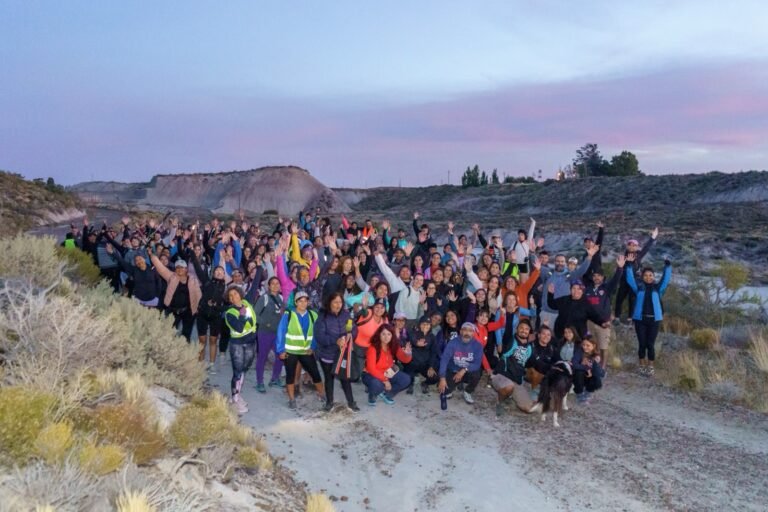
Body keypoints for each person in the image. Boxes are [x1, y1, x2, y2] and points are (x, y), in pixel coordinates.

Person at [276, 291, 325, 409]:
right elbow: (281, 331)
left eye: (305, 301)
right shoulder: (288, 314)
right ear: (296, 302)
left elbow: (316, 333)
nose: (303, 303)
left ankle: (322, 395)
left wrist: (313, 347)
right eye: (300, 301)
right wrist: (281, 350)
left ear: (308, 302)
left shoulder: (313, 315)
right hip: (290, 351)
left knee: (315, 373)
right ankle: (292, 399)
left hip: (306, 351)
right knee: (290, 375)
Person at [626, 254, 672, 376]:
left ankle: (650, 367)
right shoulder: (638, 288)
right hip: (640, 320)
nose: (648, 277)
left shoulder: (658, 288)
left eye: (650, 275)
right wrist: (629, 265)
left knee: (650, 345)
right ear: (642, 277)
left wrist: (667, 266)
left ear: (653, 276)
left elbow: (665, 279)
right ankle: (641, 365)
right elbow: (630, 279)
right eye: (645, 275)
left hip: (654, 321)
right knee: (642, 344)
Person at [315, 292, 359, 411]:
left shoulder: (346, 314)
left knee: (345, 378)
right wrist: (336, 341)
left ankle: (351, 402)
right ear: (329, 303)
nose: (338, 305)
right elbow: (320, 337)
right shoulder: (322, 317)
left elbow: (354, 329)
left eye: (340, 302)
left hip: (343, 353)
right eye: (335, 302)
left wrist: (349, 336)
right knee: (329, 378)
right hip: (327, 353)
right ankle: (329, 402)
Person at [585, 255, 625, 370]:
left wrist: (620, 268)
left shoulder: (606, 288)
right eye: (594, 276)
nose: (596, 278)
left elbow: (615, 280)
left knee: (603, 346)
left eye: (599, 276)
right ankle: (592, 366)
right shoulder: (587, 289)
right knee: (592, 345)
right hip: (589, 322)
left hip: (603, 323)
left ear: (603, 277)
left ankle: (602, 368)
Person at [149, 253, 201, 341]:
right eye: (177, 267)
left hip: (188, 311)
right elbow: (160, 268)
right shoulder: (171, 276)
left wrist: (198, 307)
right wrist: (152, 256)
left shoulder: (193, 280)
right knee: (170, 333)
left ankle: (184, 348)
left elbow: (198, 294)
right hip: (172, 311)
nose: (180, 269)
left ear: (186, 269)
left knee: (186, 335)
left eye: (182, 267)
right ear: (175, 269)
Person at [223, 285, 258, 414]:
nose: (234, 296)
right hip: (237, 345)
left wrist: (258, 271)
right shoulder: (229, 313)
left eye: (235, 293)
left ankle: (237, 395)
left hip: (250, 342)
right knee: (237, 372)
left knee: (244, 370)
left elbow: (255, 285)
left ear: (240, 294)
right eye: (230, 296)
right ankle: (235, 400)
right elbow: (238, 328)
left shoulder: (246, 302)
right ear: (229, 299)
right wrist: (242, 315)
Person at [614, 227, 659, 324]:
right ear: (627, 246)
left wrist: (653, 237)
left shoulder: (638, 256)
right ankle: (617, 317)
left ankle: (630, 319)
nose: (632, 246)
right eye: (630, 245)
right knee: (619, 299)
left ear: (637, 247)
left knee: (632, 299)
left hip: (634, 282)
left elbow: (646, 248)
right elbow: (618, 270)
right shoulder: (622, 257)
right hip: (623, 281)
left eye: (634, 245)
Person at [363, 324, 413, 406]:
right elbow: (371, 368)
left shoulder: (393, 345)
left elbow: (405, 360)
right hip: (371, 374)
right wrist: (385, 380)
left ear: (392, 336)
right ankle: (372, 394)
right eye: (383, 334)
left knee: (406, 379)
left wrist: (408, 353)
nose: (386, 337)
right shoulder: (373, 348)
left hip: (388, 372)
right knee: (377, 384)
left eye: (389, 334)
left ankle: (387, 394)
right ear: (379, 335)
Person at [438, 323, 485, 406]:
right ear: (460, 331)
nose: (467, 333)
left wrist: (464, 370)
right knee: (444, 391)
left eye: (470, 331)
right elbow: (444, 360)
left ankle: (468, 391)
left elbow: (477, 364)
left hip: (467, 371)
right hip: (454, 369)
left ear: (473, 333)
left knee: (477, 372)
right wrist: (442, 378)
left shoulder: (478, 346)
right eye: (465, 330)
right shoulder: (453, 343)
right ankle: (457, 383)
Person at [254, 277, 286, 392]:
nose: (275, 285)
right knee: (262, 357)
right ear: (269, 286)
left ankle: (275, 379)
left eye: (277, 283)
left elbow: (283, 314)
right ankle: (260, 382)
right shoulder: (264, 298)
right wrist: (265, 323)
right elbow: (255, 314)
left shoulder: (281, 298)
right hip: (265, 332)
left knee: (280, 355)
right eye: (273, 283)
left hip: (278, 333)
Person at [404, 316, 439, 394]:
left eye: (428, 324)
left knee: (436, 377)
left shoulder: (432, 337)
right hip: (412, 363)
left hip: (424, 365)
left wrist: (431, 367)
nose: (425, 326)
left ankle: (425, 383)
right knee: (407, 379)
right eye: (423, 324)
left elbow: (433, 352)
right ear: (419, 324)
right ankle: (411, 383)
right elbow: (412, 339)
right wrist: (417, 343)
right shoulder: (413, 333)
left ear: (430, 326)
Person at [572, 335, 604, 404]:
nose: (585, 347)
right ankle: (579, 394)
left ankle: (588, 392)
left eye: (588, 345)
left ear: (594, 346)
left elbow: (598, 372)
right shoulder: (579, 351)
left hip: (590, 376)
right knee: (579, 372)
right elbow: (574, 364)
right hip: (579, 376)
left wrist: (593, 365)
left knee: (596, 376)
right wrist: (586, 367)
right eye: (583, 345)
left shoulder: (596, 356)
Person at [525, 325, 558, 394]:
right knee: (536, 372)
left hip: (545, 375)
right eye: (544, 334)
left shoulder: (552, 348)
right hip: (530, 375)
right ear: (539, 335)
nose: (546, 336)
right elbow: (537, 363)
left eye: (548, 335)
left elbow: (558, 360)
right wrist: (551, 367)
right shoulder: (531, 346)